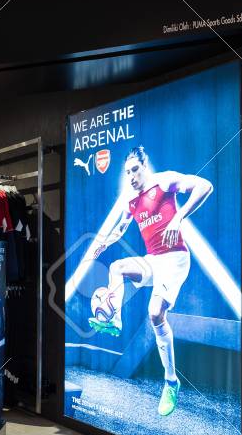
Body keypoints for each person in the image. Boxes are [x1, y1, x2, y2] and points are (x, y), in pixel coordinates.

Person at [89, 145, 212, 417]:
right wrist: (104, 243)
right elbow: (121, 227)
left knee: (155, 313)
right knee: (117, 267)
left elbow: (205, 186)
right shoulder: (131, 200)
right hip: (154, 259)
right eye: (127, 172)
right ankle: (115, 319)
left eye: (135, 169)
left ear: (144, 166)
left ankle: (171, 382)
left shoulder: (164, 181)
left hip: (175, 259)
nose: (131, 176)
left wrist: (178, 217)